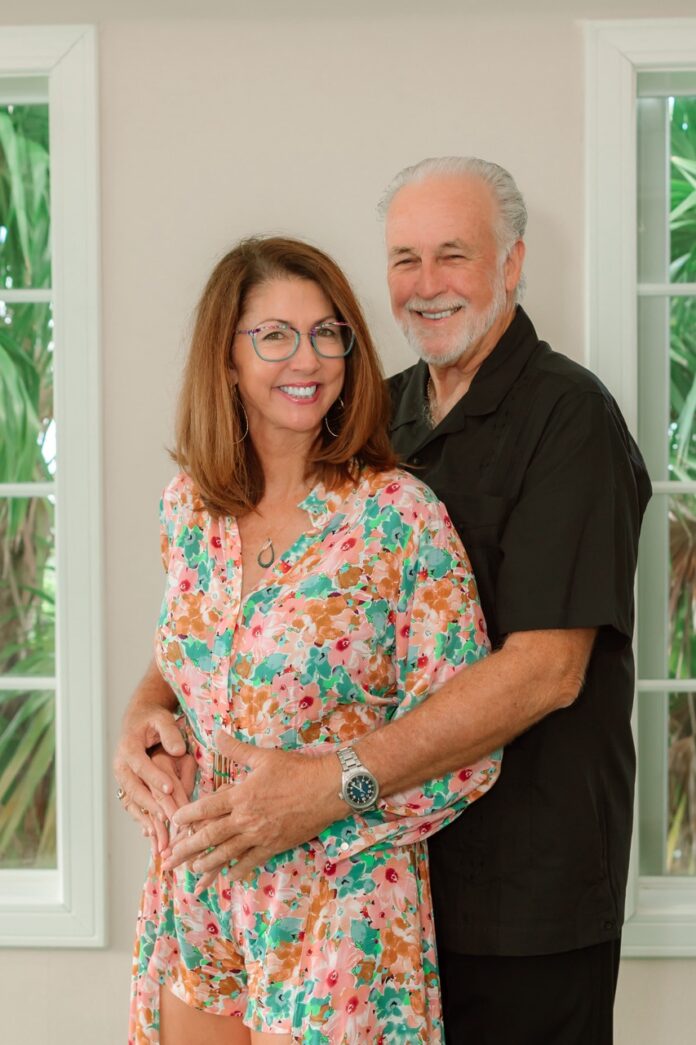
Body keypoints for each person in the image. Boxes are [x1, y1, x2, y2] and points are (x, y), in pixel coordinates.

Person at [115, 158, 651, 1045]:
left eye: (454, 254)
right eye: (406, 258)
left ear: (513, 265)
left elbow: (548, 671)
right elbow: (241, 618)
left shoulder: (568, 419)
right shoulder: (376, 417)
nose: (426, 284)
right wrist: (149, 703)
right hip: (337, 878)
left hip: (520, 894)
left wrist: (327, 786)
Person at [121, 234, 500, 1045]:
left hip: (341, 909)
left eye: (329, 332)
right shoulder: (188, 510)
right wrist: (143, 724)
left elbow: (472, 745)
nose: (309, 357)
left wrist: (330, 796)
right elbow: (195, 663)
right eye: (276, 334)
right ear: (227, 358)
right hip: (198, 892)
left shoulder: (399, 517)